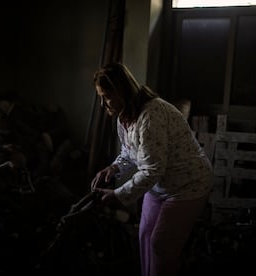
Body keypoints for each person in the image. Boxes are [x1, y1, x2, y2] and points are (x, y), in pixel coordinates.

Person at [90, 63, 213, 276]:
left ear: (121, 91)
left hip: (188, 185)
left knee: (161, 244)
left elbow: (152, 170)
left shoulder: (150, 116)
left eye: (107, 96)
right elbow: (131, 151)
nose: (102, 103)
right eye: (100, 97)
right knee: (145, 235)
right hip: (160, 184)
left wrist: (118, 195)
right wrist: (114, 166)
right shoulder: (124, 116)